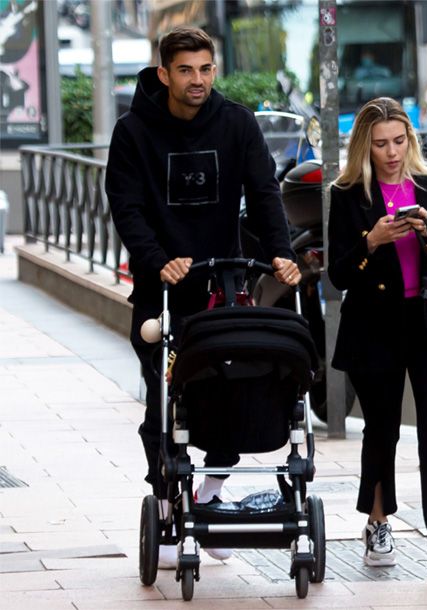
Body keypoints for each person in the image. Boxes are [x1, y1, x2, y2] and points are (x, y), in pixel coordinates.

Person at [105, 27, 300, 568]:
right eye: (186, 70)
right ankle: (168, 500)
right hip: (161, 289)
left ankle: (210, 493)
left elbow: (264, 193)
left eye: (206, 69)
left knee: (233, 390)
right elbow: (127, 207)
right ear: (164, 73)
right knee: (163, 402)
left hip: (225, 285)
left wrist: (282, 254)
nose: (198, 80)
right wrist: (154, 260)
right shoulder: (133, 133)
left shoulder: (236, 123)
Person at [328, 97, 427, 579]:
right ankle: (377, 523)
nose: (392, 152)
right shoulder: (348, 195)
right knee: (382, 429)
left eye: (399, 141)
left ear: (410, 139)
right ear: (365, 147)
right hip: (374, 327)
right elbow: (339, 274)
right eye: (381, 144)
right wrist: (372, 241)